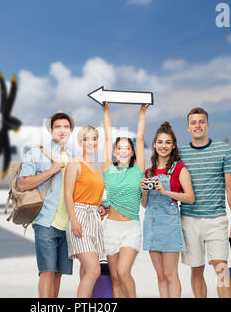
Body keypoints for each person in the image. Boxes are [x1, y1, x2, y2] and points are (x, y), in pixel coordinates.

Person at [179, 107, 231, 298]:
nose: (197, 126)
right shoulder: (180, 154)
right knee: (196, 270)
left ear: (207, 125)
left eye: (201, 122)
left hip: (216, 219)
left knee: (222, 268)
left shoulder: (224, 150)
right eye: (193, 122)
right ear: (188, 128)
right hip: (189, 220)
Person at [17, 111, 75, 298]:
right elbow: (22, 183)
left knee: (58, 274)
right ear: (50, 130)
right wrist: (52, 170)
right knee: (47, 271)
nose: (62, 130)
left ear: (71, 131)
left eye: (66, 127)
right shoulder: (37, 152)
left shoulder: (73, 157)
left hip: (67, 224)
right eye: (58, 126)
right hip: (45, 221)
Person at [140, 121, 195, 298]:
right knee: (160, 275)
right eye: (160, 142)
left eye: (168, 142)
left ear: (173, 146)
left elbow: (190, 197)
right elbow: (144, 205)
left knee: (171, 275)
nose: (164, 146)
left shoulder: (179, 168)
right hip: (151, 223)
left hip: (170, 223)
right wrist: (144, 191)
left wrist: (166, 192)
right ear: (154, 145)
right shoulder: (149, 172)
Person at [101, 102, 149, 298]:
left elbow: (140, 138)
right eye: (118, 148)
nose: (122, 150)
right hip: (110, 228)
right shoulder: (107, 169)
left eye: (126, 148)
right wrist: (105, 111)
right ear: (114, 152)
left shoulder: (138, 170)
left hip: (131, 229)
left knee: (123, 272)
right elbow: (106, 137)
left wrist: (142, 113)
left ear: (132, 152)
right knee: (114, 277)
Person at [64, 125, 107, 298]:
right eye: (87, 139)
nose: (91, 142)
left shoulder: (96, 168)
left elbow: (92, 194)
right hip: (79, 216)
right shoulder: (75, 163)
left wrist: (99, 207)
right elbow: (68, 194)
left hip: (94, 219)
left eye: (95, 138)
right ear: (80, 142)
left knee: (85, 271)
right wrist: (74, 220)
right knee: (94, 269)